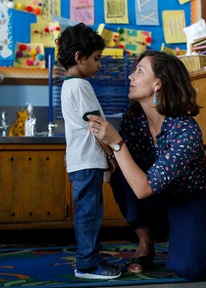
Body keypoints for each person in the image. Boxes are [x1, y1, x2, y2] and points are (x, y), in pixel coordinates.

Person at [86, 50, 206, 280]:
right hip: (154, 202)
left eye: (139, 71)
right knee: (121, 171)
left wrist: (116, 143)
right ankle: (145, 242)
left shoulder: (186, 132)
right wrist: (105, 149)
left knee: (188, 269)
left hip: (187, 201)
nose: (131, 76)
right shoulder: (135, 118)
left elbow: (143, 188)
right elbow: (124, 170)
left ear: (158, 84)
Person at [55, 23, 122, 280]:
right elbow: (97, 126)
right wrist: (111, 154)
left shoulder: (70, 85)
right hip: (87, 160)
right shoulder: (80, 86)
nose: (99, 64)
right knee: (90, 213)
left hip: (81, 160)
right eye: (96, 59)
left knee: (89, 211)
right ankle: (88, 264)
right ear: (78, 58)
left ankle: (90, 256)